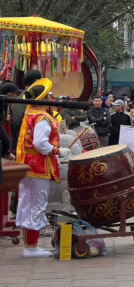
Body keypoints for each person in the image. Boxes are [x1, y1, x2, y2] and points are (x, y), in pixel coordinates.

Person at [15, 78, 70, 257]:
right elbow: (40, 143)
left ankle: (29, 245)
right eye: (50, 97)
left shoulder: (30, 114)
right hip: (38, 167)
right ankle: (31, 246)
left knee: (27, 203)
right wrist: (58, 151)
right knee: (37, 204)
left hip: (27, 166)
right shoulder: (42, 118)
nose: (53, 101)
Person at [10, 70, 43, 152]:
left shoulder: (23, 95)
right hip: (23, 141)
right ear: (36, 81)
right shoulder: (31, 97)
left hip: (17, 139)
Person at [0, 82, 21, 158]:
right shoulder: (2, 104)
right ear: (9, 94)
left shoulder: (5, 105)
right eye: (16, 94)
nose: (16, 97)